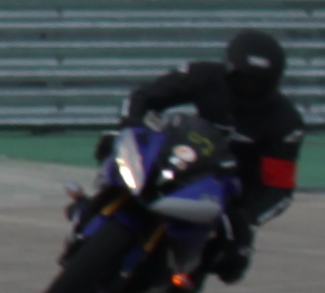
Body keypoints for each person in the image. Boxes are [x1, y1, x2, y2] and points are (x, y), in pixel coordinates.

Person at [123, 29, 303, 280]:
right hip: (185, 156)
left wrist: (247, 218)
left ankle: (186, 276)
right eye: (244, 79)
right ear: (229, 68)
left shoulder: (286, 122)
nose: (250, 88)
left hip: (228, 191)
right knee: (122, 154)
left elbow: (279, 188)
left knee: (232, 262)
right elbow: (144, 96)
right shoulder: (204, 76)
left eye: (260, 83)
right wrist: (130, 126)